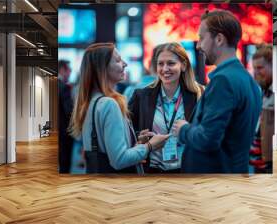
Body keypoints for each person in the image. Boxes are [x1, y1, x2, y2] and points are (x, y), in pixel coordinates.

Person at [172, 10, 262, 173]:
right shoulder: (250, 82)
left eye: (201, 38)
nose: (198, 45)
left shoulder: (223, 81)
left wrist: (183, 129)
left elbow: (207, 139)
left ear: (219, 39)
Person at [69, 43, 170, 173]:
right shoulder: (109, 104)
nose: (124, 64)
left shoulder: (92, 101)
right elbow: (119, 159)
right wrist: (150, 146)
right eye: (117, 60)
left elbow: (105, 146)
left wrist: (134, 139)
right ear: (102, 68)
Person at [128, 42, 203, 173]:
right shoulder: (141, 96)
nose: (165, 68)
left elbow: (206, 134)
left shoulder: (198, 95)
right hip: (152, 172)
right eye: (160, 64)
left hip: (187, 173)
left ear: (183, 65)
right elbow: (128, 134)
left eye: (171, 63)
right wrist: (139, 137)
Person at [249, 44, 274, 173]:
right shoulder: (264, 92)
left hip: (268, 168)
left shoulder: (276, 94)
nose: (256, 72)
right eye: (254, 68)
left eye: (260, 68)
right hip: (258, 167)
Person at [58, 60, 74, 173]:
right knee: (65, 165)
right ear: (62, 70)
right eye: (69, 70)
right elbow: (69, 112)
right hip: (64, 134)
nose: (70, 73)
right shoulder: (64, 88)